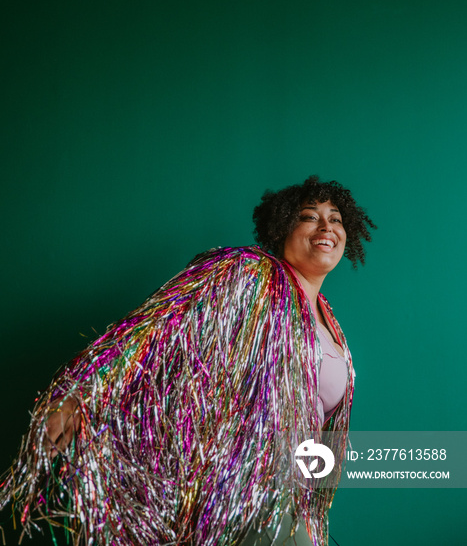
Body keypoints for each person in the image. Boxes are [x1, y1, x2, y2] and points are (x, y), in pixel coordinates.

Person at [0, 176, 375, 546]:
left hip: (289, 499)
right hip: (237, 490)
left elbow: (321, 433)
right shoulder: (248, 274)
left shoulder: (331, 326)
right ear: (282, 230)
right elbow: (154, 328)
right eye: (310, 216)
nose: (327, 226)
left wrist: (308, 511)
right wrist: (80, 396)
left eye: (336, 219)